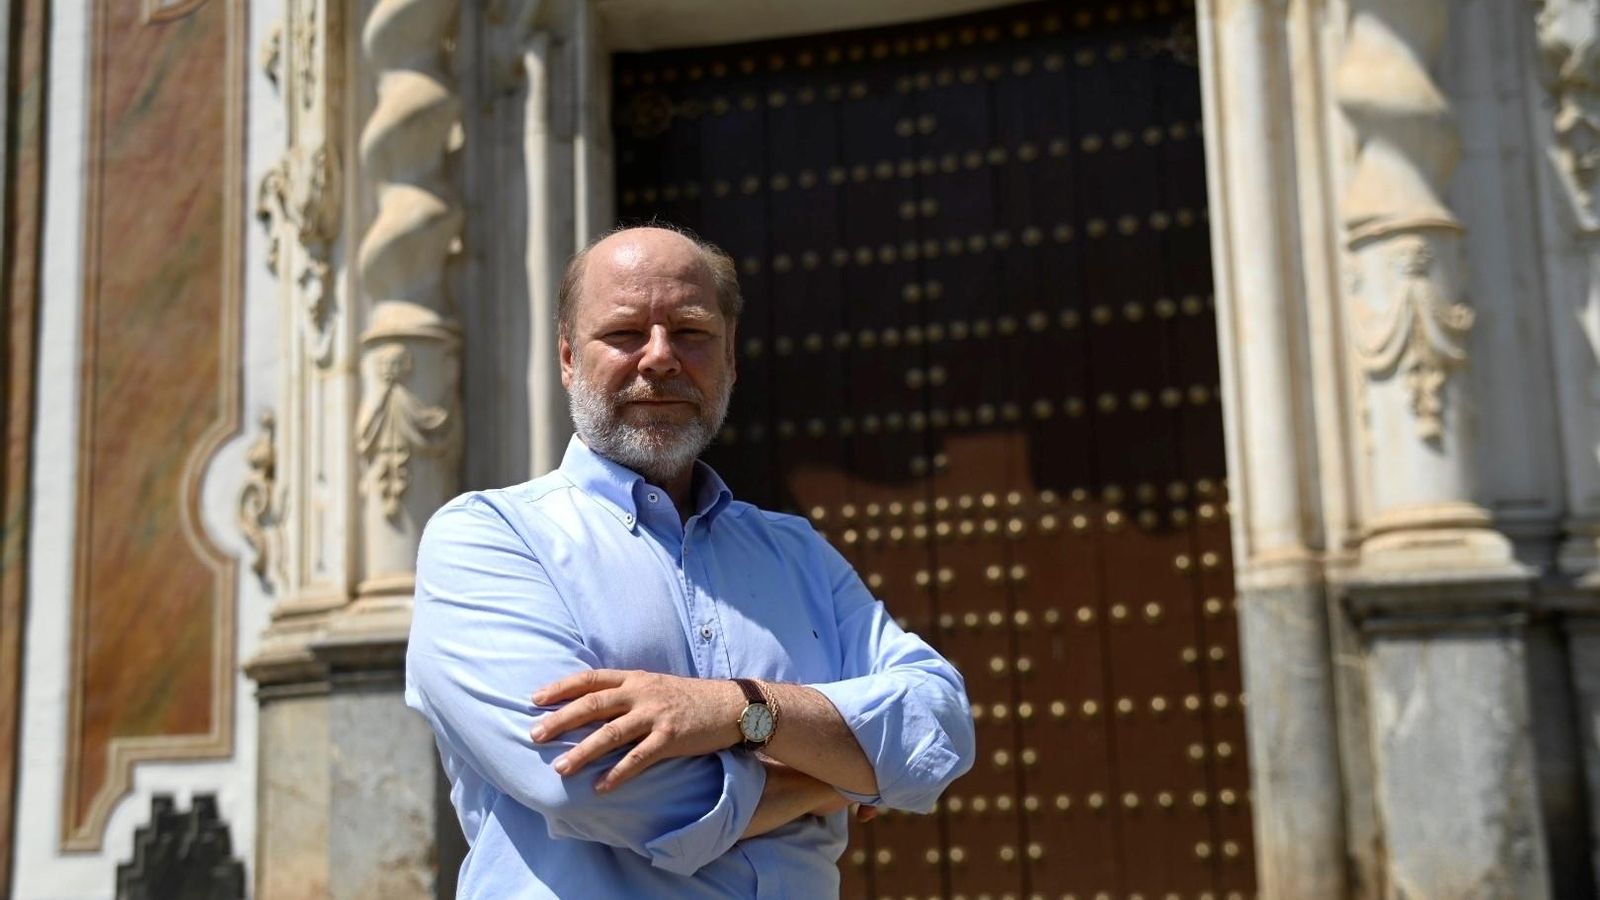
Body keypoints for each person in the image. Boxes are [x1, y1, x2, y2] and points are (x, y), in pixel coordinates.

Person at [405, 225, 975, 898]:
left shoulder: (794, 552)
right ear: (566, 356)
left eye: (691, 331)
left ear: (730, 358)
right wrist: (833, 776)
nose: (660, 359)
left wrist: (736, 710)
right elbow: (586, 783)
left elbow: (938, 726)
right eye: (623, 333)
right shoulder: (490, 540)